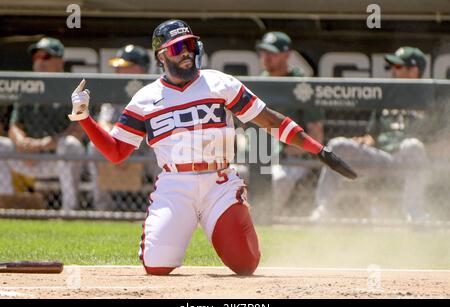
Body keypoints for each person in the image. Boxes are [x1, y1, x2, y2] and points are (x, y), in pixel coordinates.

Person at [69, 19, 356, 276]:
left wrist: (319, 150)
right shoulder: (145, 99)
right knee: (157, 266)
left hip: (219, 181)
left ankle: (226, 215)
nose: (186, 52)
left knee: (246, 265)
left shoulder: (219, 82)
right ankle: (183, 224)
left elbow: (269, 120)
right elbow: (116, 152)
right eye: (178, 46)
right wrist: (84, 118)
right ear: (162, 55)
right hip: (175, 184)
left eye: (190, 45)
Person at [312, 46, 429, 222]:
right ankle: (323, 209)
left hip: (410, 160)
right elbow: (372, 135)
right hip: (382, 158)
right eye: (392, 67)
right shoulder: (387, 95)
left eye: (398, 67)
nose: (393, 71)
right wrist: (364, 141)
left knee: (412, 145)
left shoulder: (431, 97)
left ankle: (414, 213)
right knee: (337, 145)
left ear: (414, 71)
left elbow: (442, 139)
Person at [0, 37, 85, 210]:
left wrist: (45, 144)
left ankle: (70, 211)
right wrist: (23, 143)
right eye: (36, 57)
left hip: (57, 157)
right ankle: (6, 205)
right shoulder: (28, 86)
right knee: (1, 145)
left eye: (45, 57)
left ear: (59, 61)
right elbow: (15, 126)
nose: (39, 62)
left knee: (70, 145)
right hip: (28, 157)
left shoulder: (72, 87)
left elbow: (79, 128)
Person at [256, 31, 325, 213]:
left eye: (272, 53)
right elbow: (242, 126)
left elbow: (316, 130)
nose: (266, 57)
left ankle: (267, 219)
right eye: (264, 52)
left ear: (287, 55)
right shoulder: (257, 82)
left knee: (279, 178)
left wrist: (298, 148)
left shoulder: (301, 85)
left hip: (289, 155)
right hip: (256, 153)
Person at [88, 45, 160, 210]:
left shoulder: (155, 91)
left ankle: (157, 206)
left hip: (145, 147)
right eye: (118, 67)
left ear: (139, 69)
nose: (117, 70)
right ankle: (102, 207)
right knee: (94, 146)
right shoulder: (115, 90)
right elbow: (104, 122)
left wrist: (128, 143)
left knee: (160, 147)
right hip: (121, 143)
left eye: (124, 66)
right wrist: (116, 147)